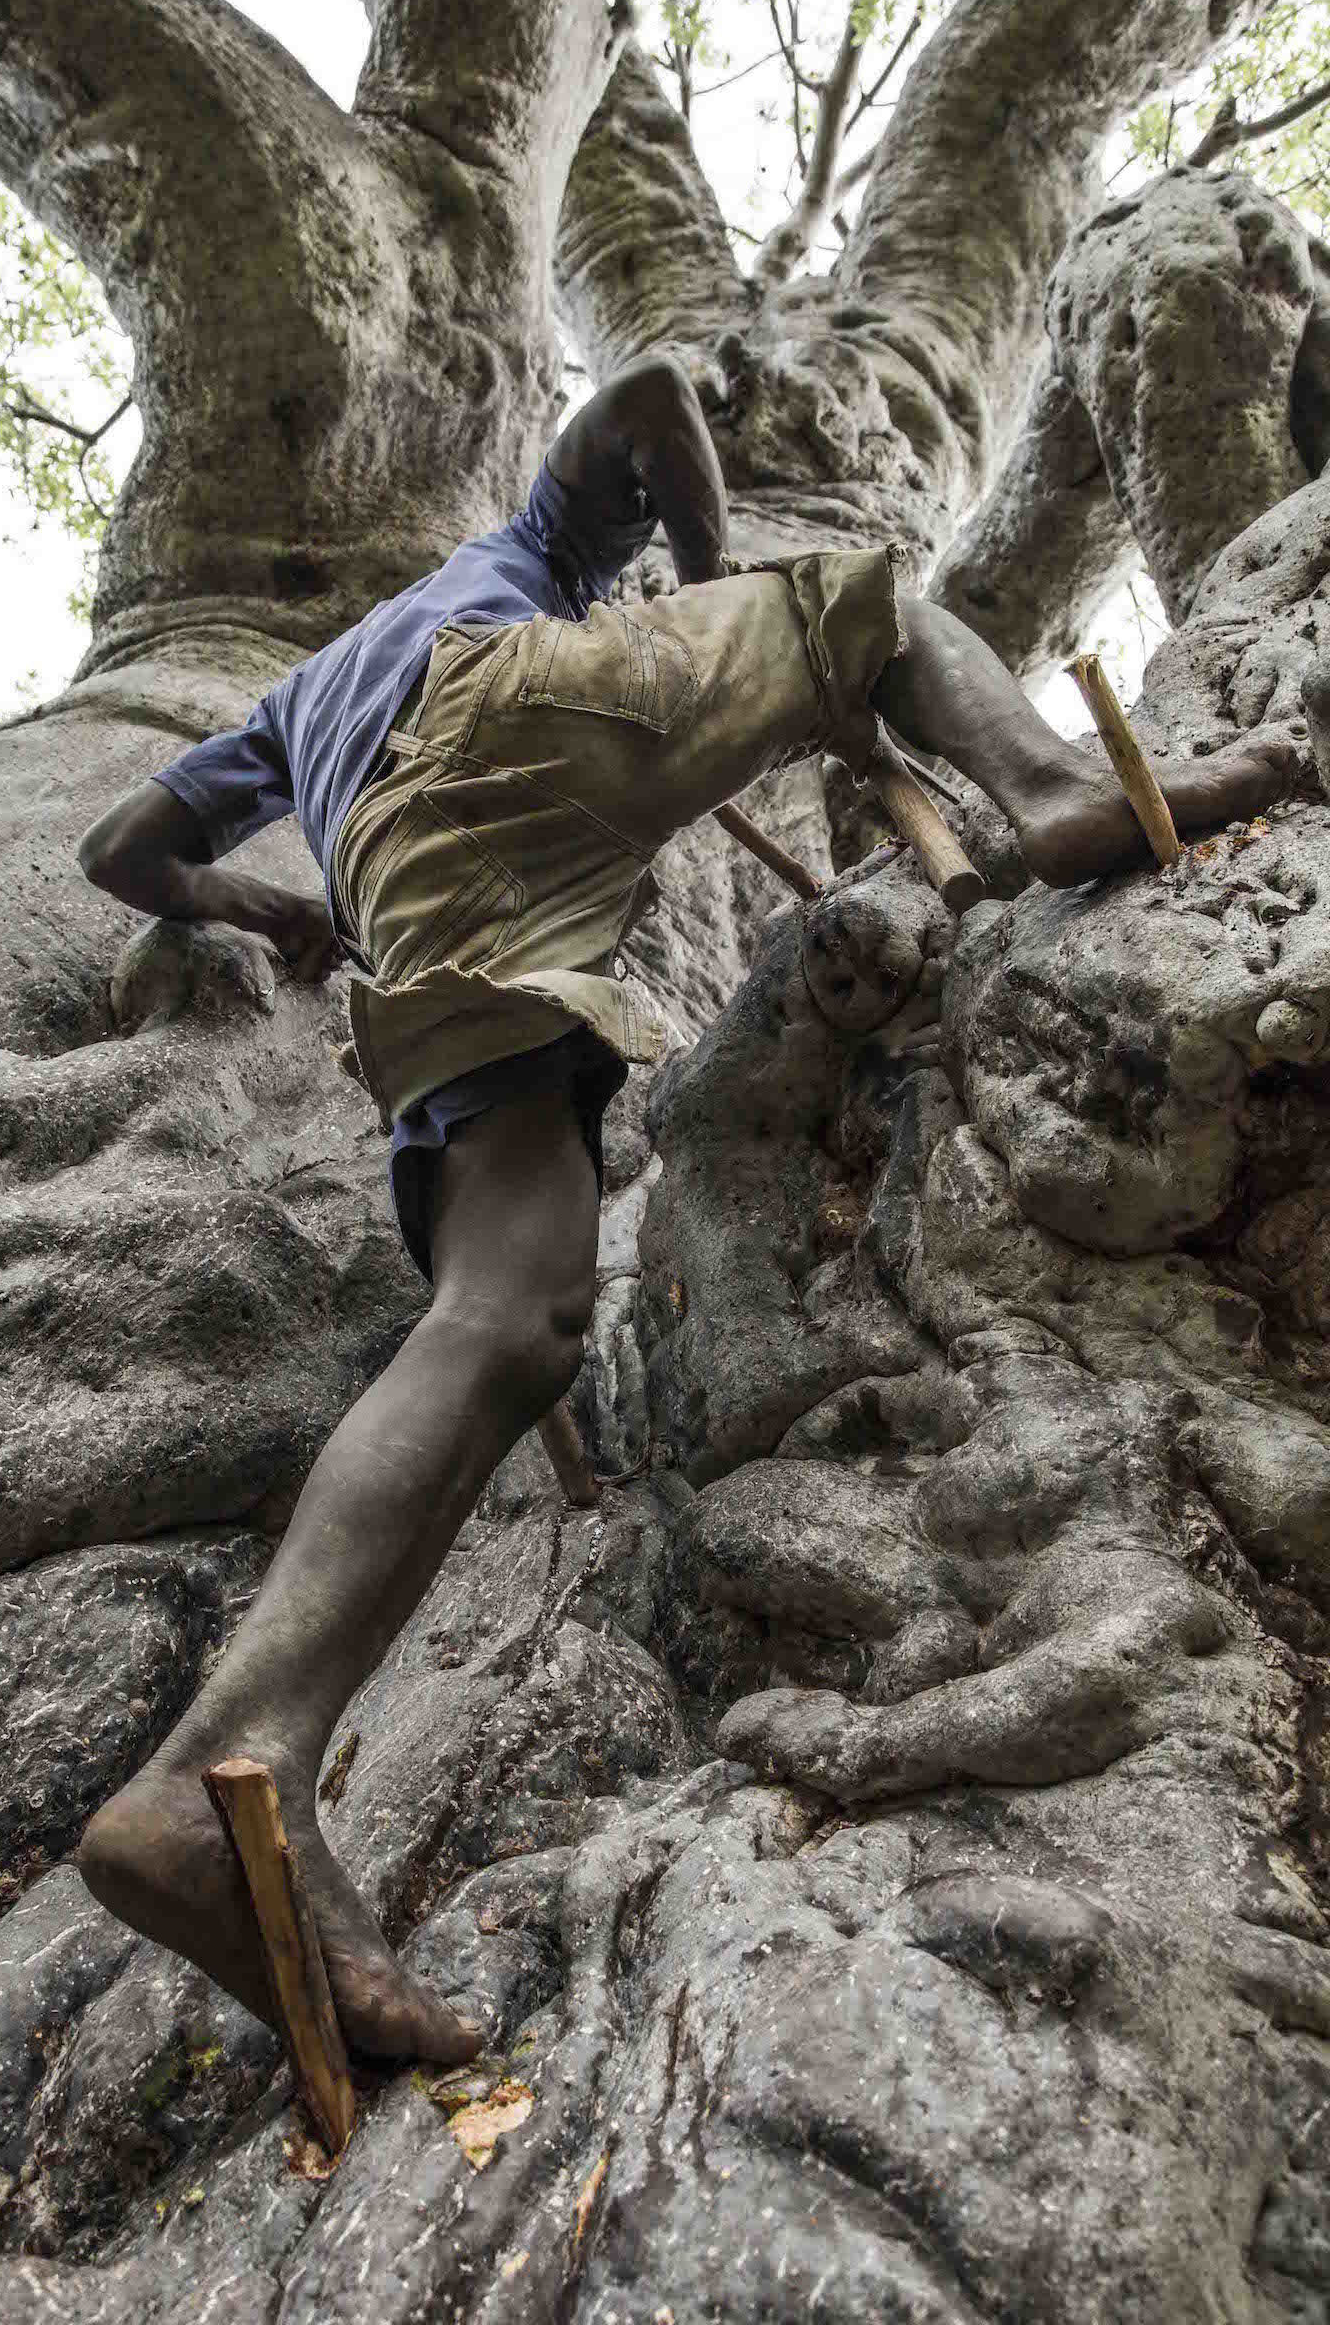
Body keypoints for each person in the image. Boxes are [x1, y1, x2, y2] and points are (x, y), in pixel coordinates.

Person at [74, 356, 1292, 2064]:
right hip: (494, 725)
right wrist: (723, 583)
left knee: (504, 1318)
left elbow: (122, 847)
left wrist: (271, 913)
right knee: (865, 603)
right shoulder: (526, 555)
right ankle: (1061, 795)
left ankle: (229, 1765)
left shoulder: (282, 713)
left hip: (400, 898)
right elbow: (647, 389)